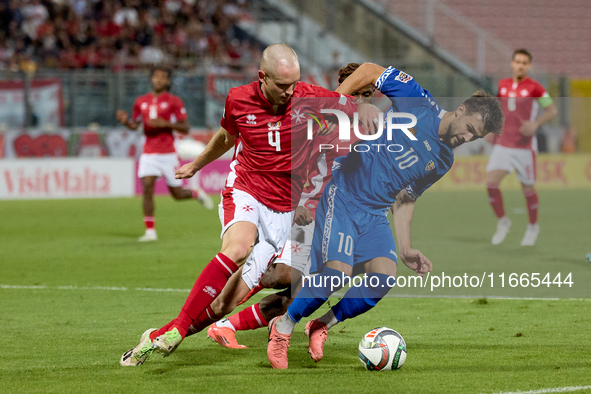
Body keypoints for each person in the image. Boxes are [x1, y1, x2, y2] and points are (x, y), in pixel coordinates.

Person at [119, 44, 371, 367]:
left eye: (295, 83)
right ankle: (179, 329)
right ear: (262, 77)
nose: (290, 91)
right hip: (247, 189)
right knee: (237, 247)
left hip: (289, 211)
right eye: (282, 86)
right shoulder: (238, 99)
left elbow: (364, 99)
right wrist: (197, 164)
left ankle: (158, 336)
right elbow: (226, 138)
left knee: (225, 304)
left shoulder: (310, 99)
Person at [266, 63, 505, 369]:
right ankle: (283, 327)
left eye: (475, 138)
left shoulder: (444, 160)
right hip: (344, 194)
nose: (467, 139)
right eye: (470, 129)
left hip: (375, 213)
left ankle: (321, 324)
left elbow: (406, 199)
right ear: (460, 111)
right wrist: (344, 102)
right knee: (336, 273)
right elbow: (368, 70)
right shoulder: (417, 100)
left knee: (383, 277)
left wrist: (405, 248)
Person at [205, 63, 376, 349]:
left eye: (369, 95)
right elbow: (290, 161)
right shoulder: (320, 118)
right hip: (301, 208)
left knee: (301, 291)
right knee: (286, 274)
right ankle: (218, 303)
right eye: (359, 93)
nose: (363, 100)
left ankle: (225, 324)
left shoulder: (364, 126)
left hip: (331, 215)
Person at [116, 67, 213, 242]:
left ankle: (195, 193)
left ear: (168, 81)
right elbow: (135, 124)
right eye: (156, 76)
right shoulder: (141, 101)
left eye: (163, 77)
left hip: (168, 153)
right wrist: (125, 122)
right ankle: (150, 231)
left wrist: (165, 124)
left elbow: (185, 127)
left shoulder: (174, 101)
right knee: (147, 187)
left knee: (176, 194)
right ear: (151, 79)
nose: (159, 79)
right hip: (149, 153)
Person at [486, 49, 557, 246]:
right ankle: (503, 222)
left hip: (524, 147)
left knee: (527, 188)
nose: (520, 65)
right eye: (517, 61)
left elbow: (552, 110)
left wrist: (536, 124)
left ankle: (533, 227)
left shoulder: (536, 88)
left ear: (529, 66)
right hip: (503, 144)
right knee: (491, 184)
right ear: (512, 63)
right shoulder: (503, 85)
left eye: (524, 62)